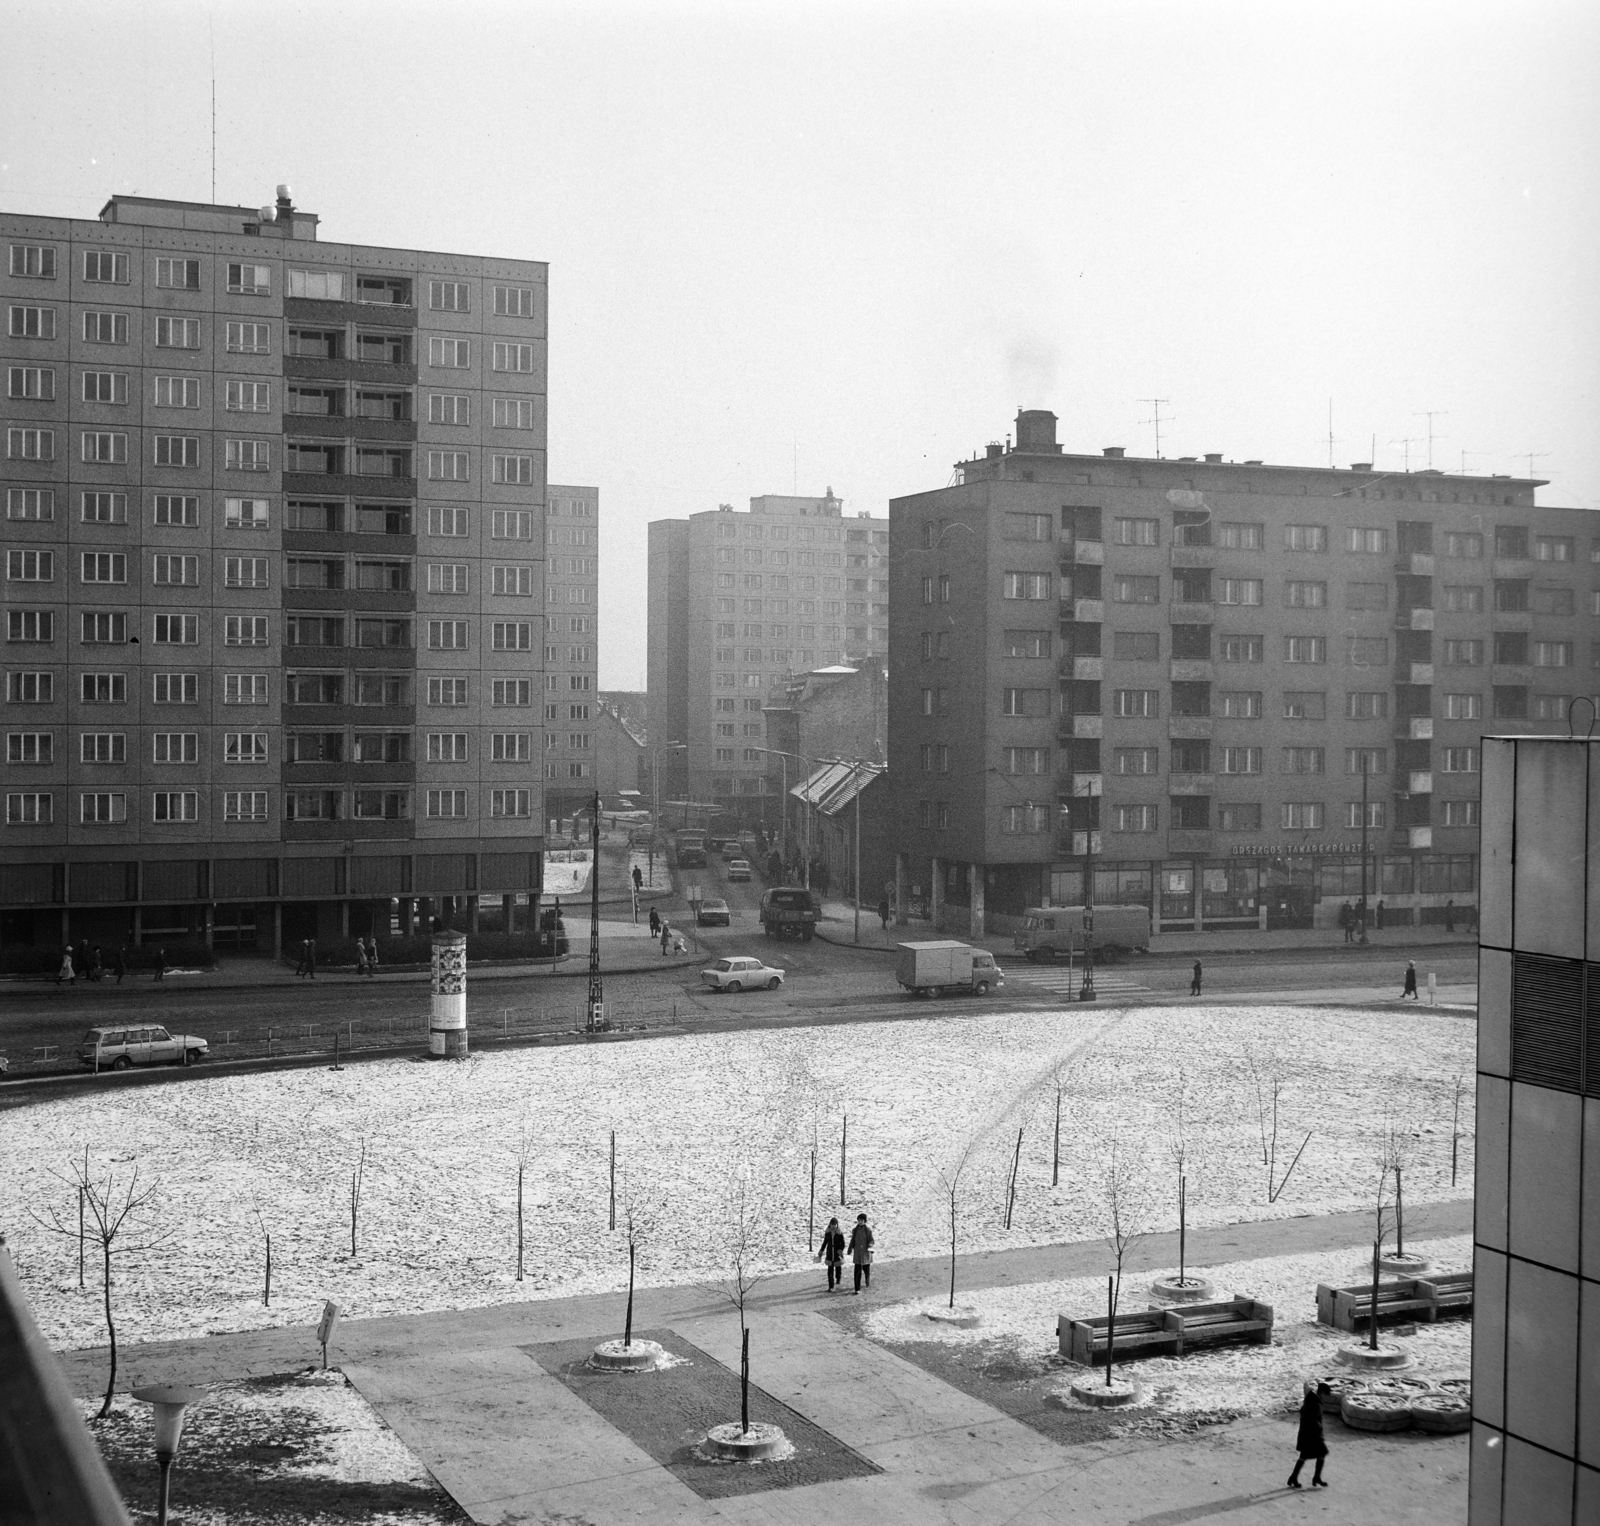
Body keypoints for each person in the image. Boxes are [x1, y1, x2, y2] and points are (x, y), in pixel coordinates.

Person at [1288, 1380, 1330, 1489]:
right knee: (1321, 1453)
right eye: (1325, 1394)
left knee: (1305, 1456)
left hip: (1306, 1433)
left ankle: (1295, 1477)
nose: (1325, 1397)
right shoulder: (1315, 1403)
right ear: (1322, 1393)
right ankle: (1315, 1477)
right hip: (1312, 1434)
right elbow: (1312, 1420)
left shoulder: (1310, 1400)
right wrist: (1319, 1428)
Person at [816, 1216, 846, 1291]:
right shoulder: (828, 1233)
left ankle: (838, 1278)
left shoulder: (839, 1233)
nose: (833, 1226)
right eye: (832, 1225)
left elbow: (843, 1243)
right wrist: (821, 1250)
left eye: (834, 1225)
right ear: (830, 1224)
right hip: (829, 1253)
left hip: (837, 1253)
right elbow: (825, 1242)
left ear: (837, 1225)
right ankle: (831, 1286)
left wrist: (840, 1250)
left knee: (838, 1267)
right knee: (830, 1270)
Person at [849, 1213, 875, 1294]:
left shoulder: (868, 1231)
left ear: (864, 1221)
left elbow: (871, 1240)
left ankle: (867, 1278)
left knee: (866, 1270)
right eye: (859, 1220)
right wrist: (850, 1248)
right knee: (857, 1272)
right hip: (857, 1254)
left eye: (861, 1220)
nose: (860, 1222)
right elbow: (852, 1240)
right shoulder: (855, 1230)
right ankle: (857, 1288)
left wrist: (870, 1245)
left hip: (865, 1254)